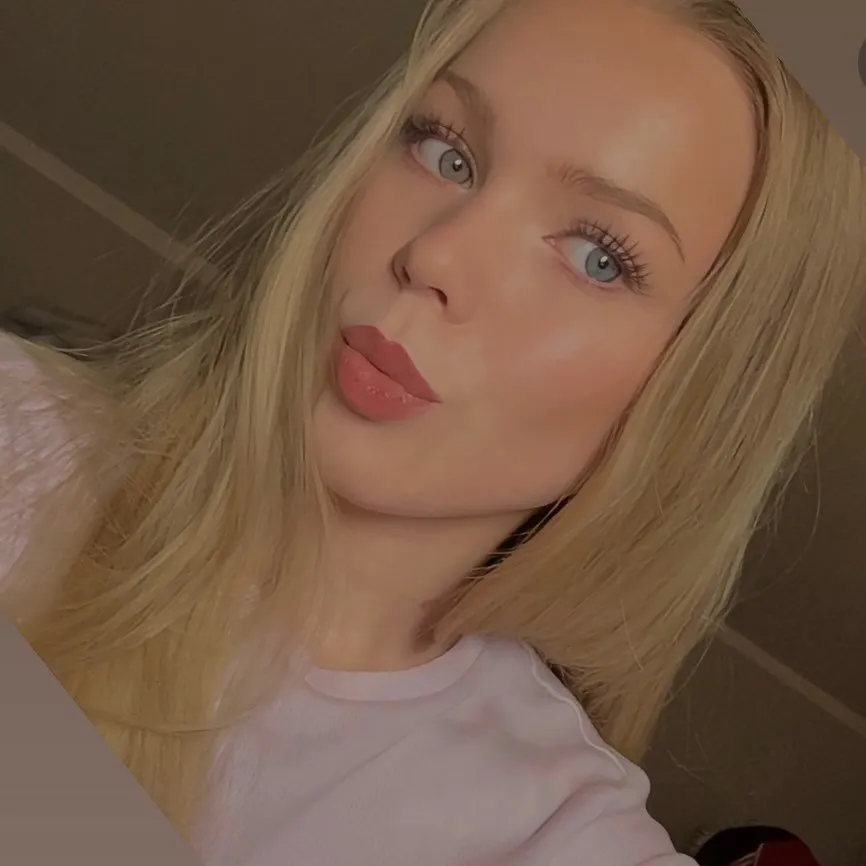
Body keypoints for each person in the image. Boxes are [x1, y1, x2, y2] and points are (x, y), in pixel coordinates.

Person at [1, 0, 864, 863]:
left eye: (598, 257)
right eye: (447, 152)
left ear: (701, 400)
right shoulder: (22, 440)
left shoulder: (551, 831)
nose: (435, 256)